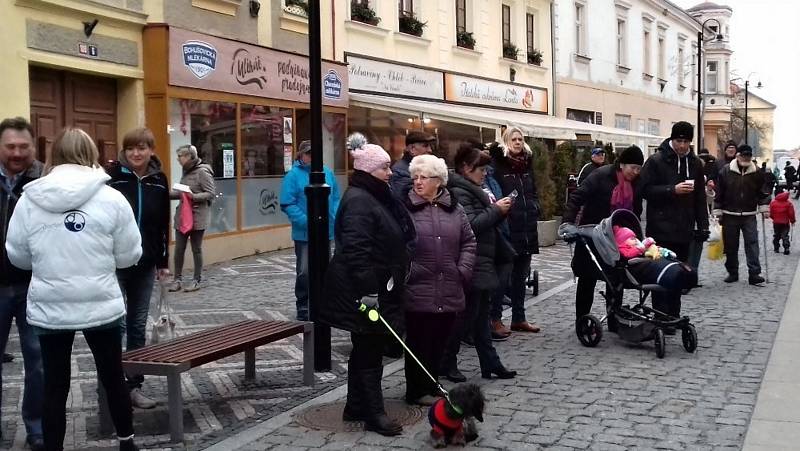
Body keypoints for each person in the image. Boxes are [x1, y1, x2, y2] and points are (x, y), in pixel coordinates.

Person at [5, 127, 142, 451]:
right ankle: (127, 443)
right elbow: (129, 255)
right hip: (101, 304)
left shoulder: (30, 199)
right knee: (112, 377)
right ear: (91, 154)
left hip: (51, 306)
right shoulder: (112, 198)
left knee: (55, 383)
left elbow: (18, 256)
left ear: (54, 155)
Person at [319, 134, 416, 436]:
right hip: (364, 290)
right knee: (370, 349)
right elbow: (356, 251)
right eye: (384, 168)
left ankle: (355, 405)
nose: (390, 173)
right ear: (369, 171)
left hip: (376, 285)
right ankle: (374, 413)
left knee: (364, 348)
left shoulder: (374, 195)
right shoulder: (360, 201)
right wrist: (369, 292)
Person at [402, 154, 475, 406]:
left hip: (449, 284)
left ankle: (431, 383)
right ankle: (415, 390)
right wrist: (408, 271)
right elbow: (397, 244)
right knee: (418, 341)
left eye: (424, 177)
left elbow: (469, 241)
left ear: (439, 181)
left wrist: (462, 270)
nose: (418, 182)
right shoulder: (405, 207)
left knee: (440, 340)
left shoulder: (454, 208)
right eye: (415, 177)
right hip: (418, 286)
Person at [106, 127, 170, 410]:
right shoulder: (112, 178)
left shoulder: (158, 180)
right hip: (116, 263)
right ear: (124, 150)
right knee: (115, 325)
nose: (136, 153)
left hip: (145, 264)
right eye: (131, 148)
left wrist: (163, 263)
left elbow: (162, 225)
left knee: (136, 326)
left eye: (142, 147)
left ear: (151, 150)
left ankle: (133, 386)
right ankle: (112, 385)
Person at [442, 143, 518, 380]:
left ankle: (490, 362)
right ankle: (448, 362)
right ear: (466, 168)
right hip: (472, 260)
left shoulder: (475, 188)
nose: (485, 174)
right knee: (465, 317)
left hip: (483, 258)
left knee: (480, 316)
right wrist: (497, 210)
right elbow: (471, 225)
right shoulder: (461, 191)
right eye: (481, 169)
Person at [561, 145, 644, 328]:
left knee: (616, 277)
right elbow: (577, 198)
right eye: (633, 168)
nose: (635, 172)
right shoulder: (601, 176)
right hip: (592, 232)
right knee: (587, 278)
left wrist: (635, 236)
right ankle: (582, 320)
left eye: (639, 169)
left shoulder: (636, 183)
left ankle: (614, 318)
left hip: (618, 237)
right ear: (622, 164)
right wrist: (567, 223)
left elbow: (635, 211)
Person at [0, 117, 44, 450]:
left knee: (38, 360)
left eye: (23, 147)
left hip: (36, 285)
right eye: (10, 146)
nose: (17, 152)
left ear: (33, 146)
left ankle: (37, 427)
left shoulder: (45, 181)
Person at [639, 121, 708, 325]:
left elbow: (700, 198)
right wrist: (672, 190)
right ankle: (661, 316)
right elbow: (645, 190)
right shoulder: (656, 161)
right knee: (659, 274)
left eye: (687, 142)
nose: (683, 146)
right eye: (679, 141)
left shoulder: (695, 164)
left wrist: (702, 225)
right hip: (660, 228)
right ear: (672, 139)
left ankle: (673, 316)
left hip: (683, 229)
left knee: (678, 273)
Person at [487, 126, 541, 335]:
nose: (518, 142)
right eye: (514, 139)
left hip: (527, 228)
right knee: (503, 277)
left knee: (521, 276)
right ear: (506, 141)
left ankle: (519, 318)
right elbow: (494, 193)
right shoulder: (498, 165)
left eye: (520, 139)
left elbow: (533, 190)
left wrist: (535, 206)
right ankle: (495, 319)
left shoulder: (527, 163)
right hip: (508, 228)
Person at [280, 140, 341, 321]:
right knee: (305, 271)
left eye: (315, 154)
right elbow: (287, 203)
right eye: (308, 154)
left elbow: (336, 197)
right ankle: (303, 304)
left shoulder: (327, 172)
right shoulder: (293, 176)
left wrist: (334, 217)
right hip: (305, 233)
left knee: (325, 268)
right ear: (301, 155)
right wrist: (307, 222)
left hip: (326, 231)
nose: (312, 157)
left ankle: (323, 302)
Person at [713, 145, 770, 285]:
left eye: (748, 156)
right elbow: (719, 192)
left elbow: (762, 191)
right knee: (731, 245)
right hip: (729, 213)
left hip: (749, 214)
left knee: (752, 243)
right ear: (737, 156)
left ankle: (754, 273)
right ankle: (733, 272)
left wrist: (764, 206)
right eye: (743, 156)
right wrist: (718, 210)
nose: (746, 159)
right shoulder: (725, 171)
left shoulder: (756, 172)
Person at [168, 144, 215, 292]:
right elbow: (182, 194)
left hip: (197, 217)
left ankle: (196, 280)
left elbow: (210, 193)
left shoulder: (202, 172)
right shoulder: (186, 171)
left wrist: (193, 197)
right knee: (179, 249)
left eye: (180, 156)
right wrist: (165, 194)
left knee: (196, 249)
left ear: (189, 157)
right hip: (183, 216)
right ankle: (177, 280)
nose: (178, 159)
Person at [389, 131, 435, 199]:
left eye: (430, 146)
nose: (430, 150)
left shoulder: (427, 166)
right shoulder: (400, 172)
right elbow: (409, 198)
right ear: (412, 149)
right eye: (425, 146)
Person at [769, 190, 795, 255]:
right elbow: (791, 214)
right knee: (785, 236)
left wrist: (774, 218)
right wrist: (792, 221)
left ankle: (776, 248)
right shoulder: (789, 204)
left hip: (776, 223)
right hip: (785, 223)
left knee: (776, 235)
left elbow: (771, 213)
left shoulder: (773, 203)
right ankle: (786, 248)